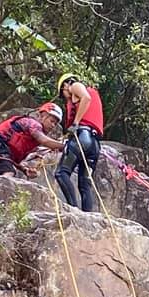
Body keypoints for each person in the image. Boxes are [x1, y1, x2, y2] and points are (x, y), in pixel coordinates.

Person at [54, 71, 104, 213]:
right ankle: (87, 216)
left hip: (82, 136)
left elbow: (86, 98)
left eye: (62, 93)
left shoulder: (74, 86)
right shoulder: (92, 93)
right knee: (85, 184)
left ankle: (73, 211)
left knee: (61, 173)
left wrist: (75, 123)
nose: (64, 97)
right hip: (94, 145)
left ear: (65, 85)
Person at [0, 103, 64, 178]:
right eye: (52, 121)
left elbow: (12, 158)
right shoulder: (32, 124)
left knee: (7, 171)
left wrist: (24, 169)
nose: (53, 126)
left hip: (0, 152)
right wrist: (65, 146)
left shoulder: (33, 141)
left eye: (55, 124)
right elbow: (45, 141)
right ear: (42, 116)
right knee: (9, 172)